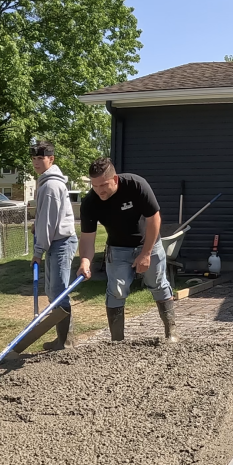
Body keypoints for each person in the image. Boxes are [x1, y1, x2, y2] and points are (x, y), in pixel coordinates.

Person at [76, 157, 178, 343]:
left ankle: (171, 333)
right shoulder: (90, 202)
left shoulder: (136, 185)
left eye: (104, 185)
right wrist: (85, 261)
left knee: (158, 285)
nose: (100, 191)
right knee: (116, 291)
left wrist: (146, 253)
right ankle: (117, 342)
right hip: (118, 249)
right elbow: (87, 238)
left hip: (149, 244)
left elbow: (154, 219)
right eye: (95, 186)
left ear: (114, 179)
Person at [30, 140, 78, 350]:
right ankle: (64, 339)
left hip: (61, 242)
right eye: (33, 158)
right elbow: (45, 219)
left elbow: (48, 223)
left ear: (51, 159)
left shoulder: (50, 185)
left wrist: (38, 251)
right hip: (55, 242)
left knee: (58, 291)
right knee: (52, 291)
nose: (36, 162)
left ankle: (66, 341)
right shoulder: (46, 182)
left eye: (40, 158)